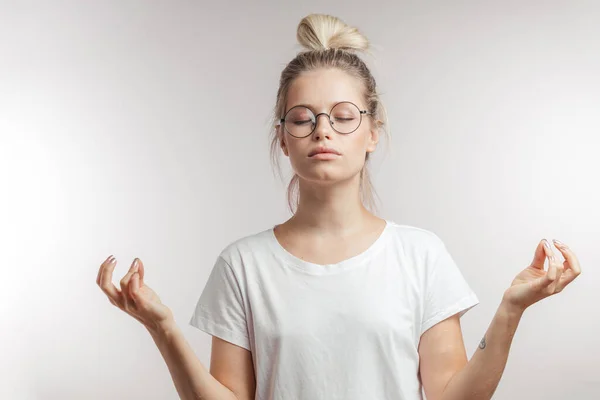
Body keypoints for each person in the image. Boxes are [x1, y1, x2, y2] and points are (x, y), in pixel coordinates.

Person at [96, 13, 582, 400]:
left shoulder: (420, 255)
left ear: (373, 132)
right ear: (283, 138)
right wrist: (163, 329)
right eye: (303, 118)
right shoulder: (244, 266)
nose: (323, 131)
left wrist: (510, 311)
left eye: (344, 117)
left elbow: (453, 398)